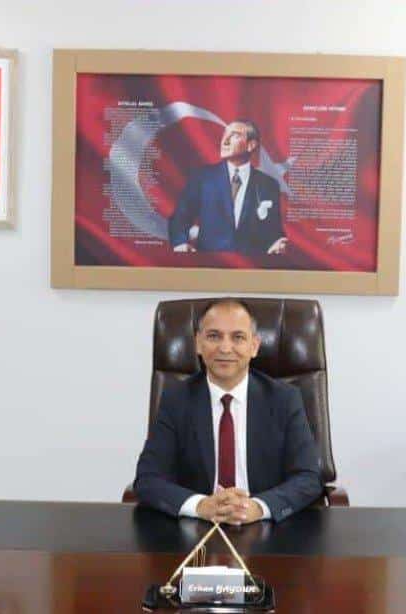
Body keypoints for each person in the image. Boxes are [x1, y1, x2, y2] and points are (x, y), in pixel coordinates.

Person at [134, 299, 322, 524]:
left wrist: (258, 507)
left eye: (238, 337)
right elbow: (148, 479)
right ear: (198, 343)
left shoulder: (284, 399)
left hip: (266, 529)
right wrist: (201, 505)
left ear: (254, 346)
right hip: (196, 529)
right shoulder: (177, 399)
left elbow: (309, 478)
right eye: (214, 336)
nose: (225, 348)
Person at [169, 121, 288, 254]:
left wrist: (278, 243)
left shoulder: (268, 185)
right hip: (210, 266)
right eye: (225, 134)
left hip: (251, 269)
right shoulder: (202, 178)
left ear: (251, 145)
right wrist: (180, 243)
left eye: (234, 135)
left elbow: (274, 231)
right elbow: (180, 218)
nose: (225, 141)